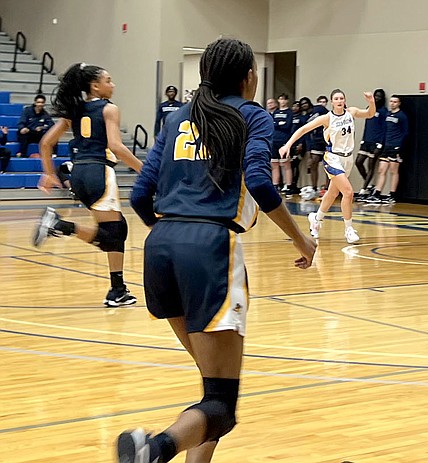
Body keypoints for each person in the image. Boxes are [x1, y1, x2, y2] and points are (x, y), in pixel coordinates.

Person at [118, 38, 317, 463]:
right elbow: (261, 184)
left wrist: (173, 233)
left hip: (161, 246)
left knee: (213, 391)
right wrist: (301, 239)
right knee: (221, 406)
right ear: (249, 77)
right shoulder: (251, 116)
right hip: (209, 250)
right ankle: (151, 450)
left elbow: (139, 196)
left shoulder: (177, 118)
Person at [31, 63, 143, 307]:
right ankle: (60, 224)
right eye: (109, 80)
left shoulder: (74, 110)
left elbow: (45, 143)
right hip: (99, 172)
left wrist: (49, 174)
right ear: (95, 86)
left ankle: (118, 289)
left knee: (117, 230)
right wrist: (145, 170)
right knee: (113, 235)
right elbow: (115, 146)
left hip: (79, 173)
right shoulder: (109, 109)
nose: (113, 85)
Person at [279, 89, 376, 244]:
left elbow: (370, 114)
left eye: (341, 98)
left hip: (348, 158)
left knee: (332, 194)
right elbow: (304, 129)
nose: (339, 100)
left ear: (344, 100)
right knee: (348, 192)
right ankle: (349, 229)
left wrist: (371, 102)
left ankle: (316, 219)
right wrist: (288, 145)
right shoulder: (327, 118)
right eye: (336, 98)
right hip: (333, 158)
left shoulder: (351, 112)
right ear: (332, 102)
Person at [367, 95, 408, 204]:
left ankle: (392, 194)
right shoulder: (387, 114)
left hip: (395, 146)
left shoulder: (402, 116)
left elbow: (405, 132)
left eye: (395, 102)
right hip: (386, 146)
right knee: (382, 169)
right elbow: (384, 130)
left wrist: (399, 145)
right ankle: (377, 193)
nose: (392, 103)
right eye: (391, 101)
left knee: (393, 171)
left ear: (399, 103)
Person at [355, 88, 388, 201]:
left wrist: (380, 144)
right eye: (376, 96)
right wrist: (363, 139)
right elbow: (367, 125)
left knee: (371, 167)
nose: (377, 98)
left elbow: (385, 129)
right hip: (366, 142)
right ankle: (369, 185)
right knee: (358, 162)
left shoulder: (384, 111)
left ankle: (363, 190)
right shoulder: (369, 109)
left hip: (376, 143)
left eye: (379, 96)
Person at [305, 95, 330, 196]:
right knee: (314, 162)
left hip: (327, 140)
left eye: (324, 101)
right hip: (316, 141)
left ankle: (328, 188)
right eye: (320, 101)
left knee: (328, 165)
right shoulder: (309, 115)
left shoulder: (324, 111)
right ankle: (314, 187)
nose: (322, 103)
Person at [271, 93, 294, 194]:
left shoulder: (290, 112)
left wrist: (278, 124)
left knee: (286, 164)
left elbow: (287, 125)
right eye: (280, 99)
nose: (282, 101)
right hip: (274, 140)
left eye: (284, 99)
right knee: (274, 164)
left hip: (284, 140)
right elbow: (273, 123)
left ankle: (288, 185)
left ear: (287, 101)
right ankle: (275, 185)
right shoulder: (275, 112)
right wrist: (279, 123)